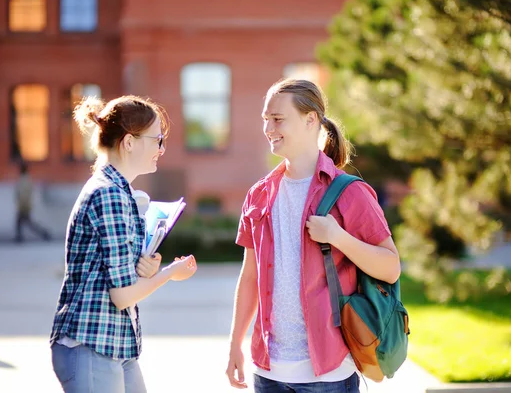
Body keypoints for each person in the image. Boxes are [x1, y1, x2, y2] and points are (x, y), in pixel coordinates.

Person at [225, 79, 401, 392]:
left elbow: (390, 267)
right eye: (266, 119)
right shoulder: (259, 195)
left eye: (278, 119)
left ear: (310, 121)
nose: (269, 128)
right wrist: (235, 343)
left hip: (328, 375)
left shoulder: (350, 193)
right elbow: (250, 275)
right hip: (269, 372)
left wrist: (338, 237)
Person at [50, 95, 198, 393]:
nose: (161, 149)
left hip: (112, 344)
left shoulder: (117, 191)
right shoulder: (110, 196)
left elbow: (113, 278)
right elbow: (120, 297)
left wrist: (144, 269)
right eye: (157, 140)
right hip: (91, 344)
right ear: (129, 142)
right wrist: (170, 272)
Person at [15, 161, 51, 242]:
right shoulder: (26, 179)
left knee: (28, 223)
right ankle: (19, 236)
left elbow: (23, 195)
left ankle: (44, 233)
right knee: (22, 222)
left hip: (24, 206)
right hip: (24, 205)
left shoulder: (24, 180)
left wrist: (22, 205)